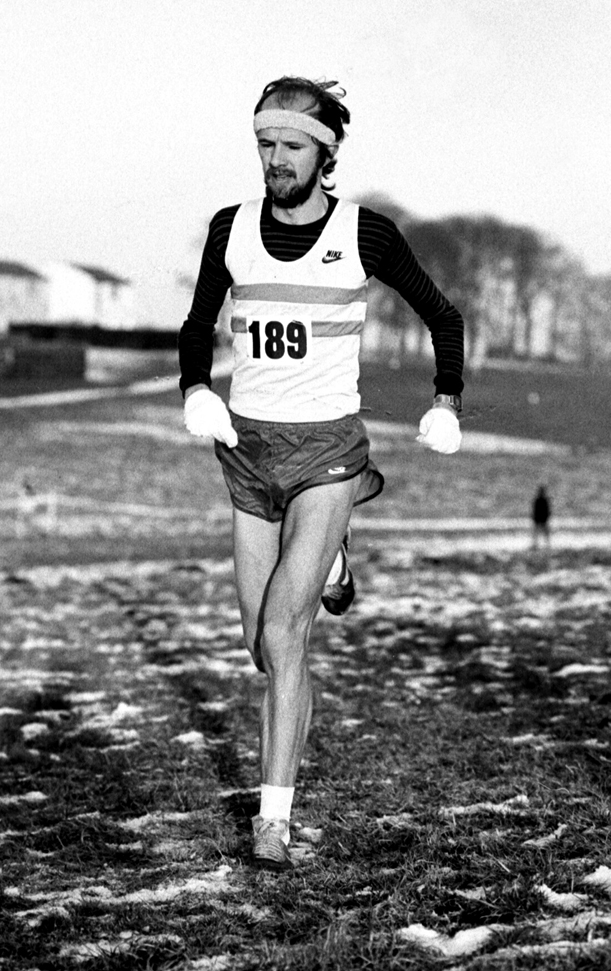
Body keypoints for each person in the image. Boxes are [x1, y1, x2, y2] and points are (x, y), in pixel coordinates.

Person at [178, 76, 464, 869]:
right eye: (265, 144)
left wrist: (447, 401)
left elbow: (444, 315)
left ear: (326, 152)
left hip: (327, 453)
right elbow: (199, 322)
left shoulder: (364, 233)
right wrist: (196, 389)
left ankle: (273, 821)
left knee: (285, 629)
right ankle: (333, 553)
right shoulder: (229, 230)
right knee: (262, 650)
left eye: (292, 146)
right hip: (248, 450)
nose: (275, 159)